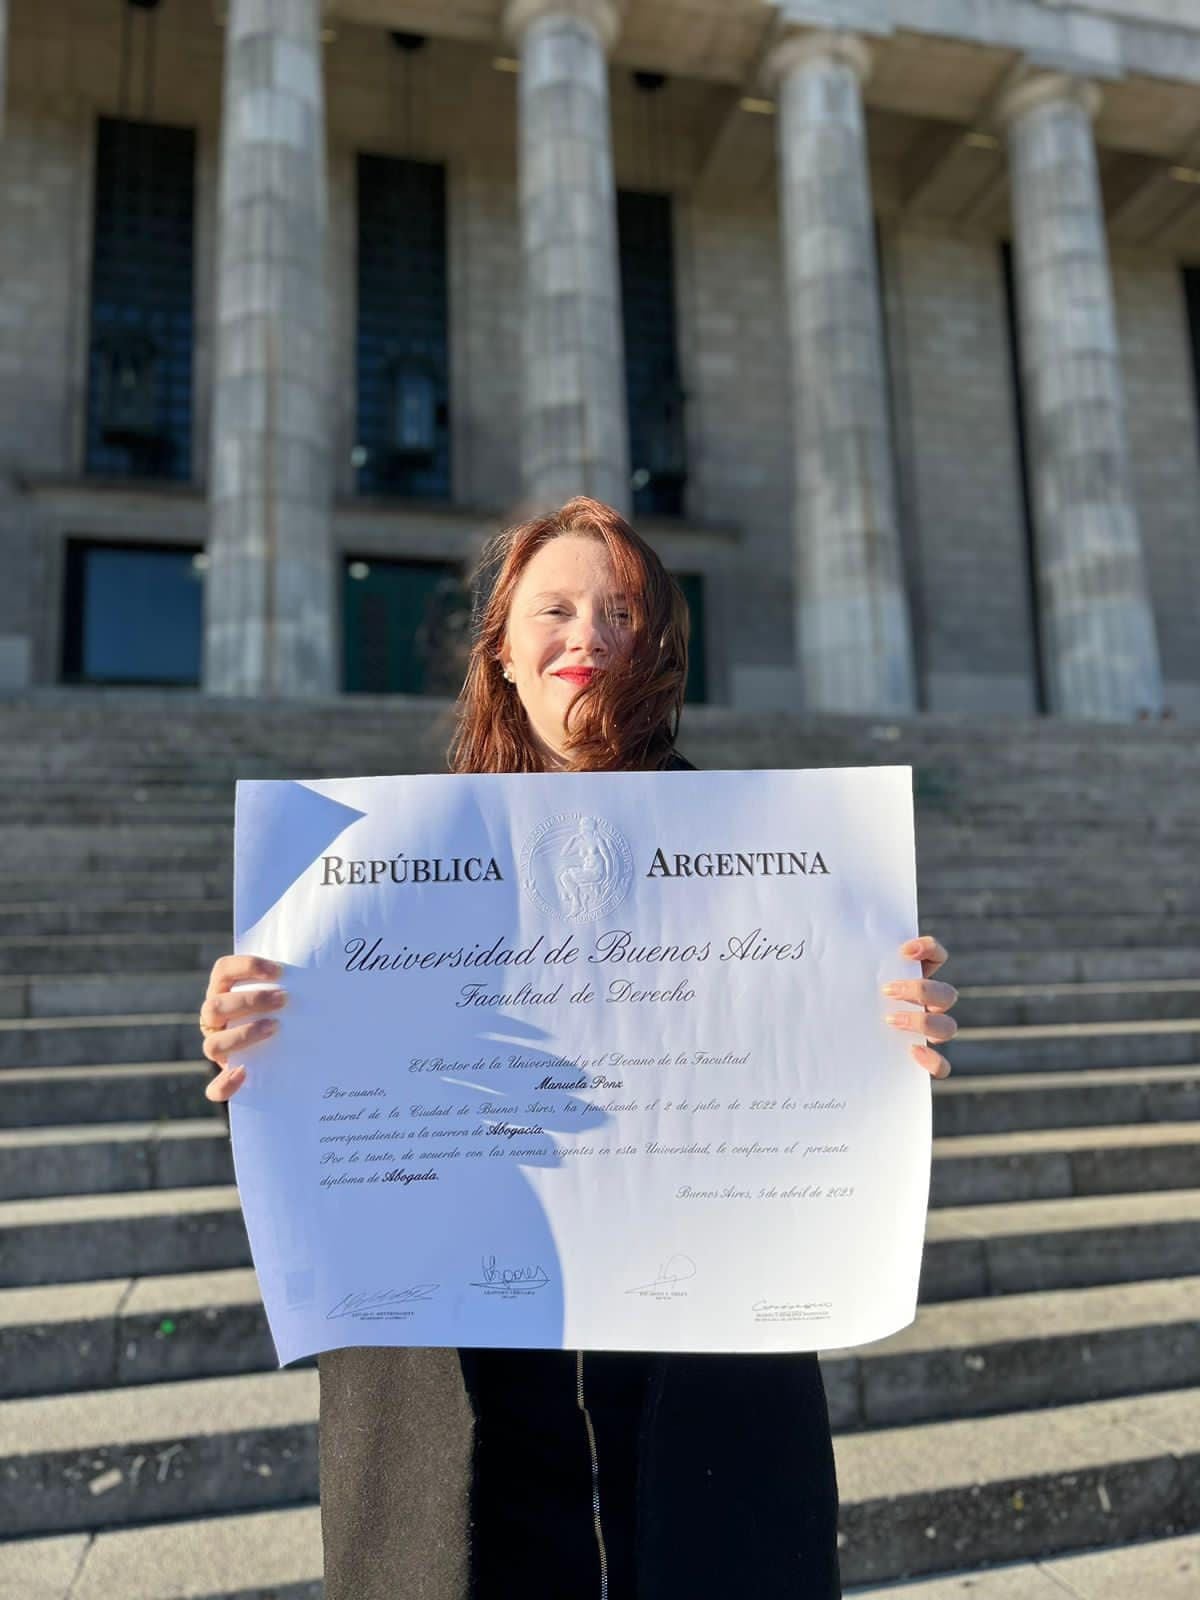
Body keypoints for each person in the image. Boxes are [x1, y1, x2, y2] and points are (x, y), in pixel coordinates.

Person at [199, 495, 959, 1599]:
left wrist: (891, 1023)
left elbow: (821, 1065)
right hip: (457, 1384)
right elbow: (319, 1101)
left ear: (658, 645)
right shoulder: (369, 876)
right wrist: (256, 1030)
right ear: (502, 650)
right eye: (554, 608)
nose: (588, 637)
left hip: (699, 1376)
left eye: (621, 612)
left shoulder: (791, 871)